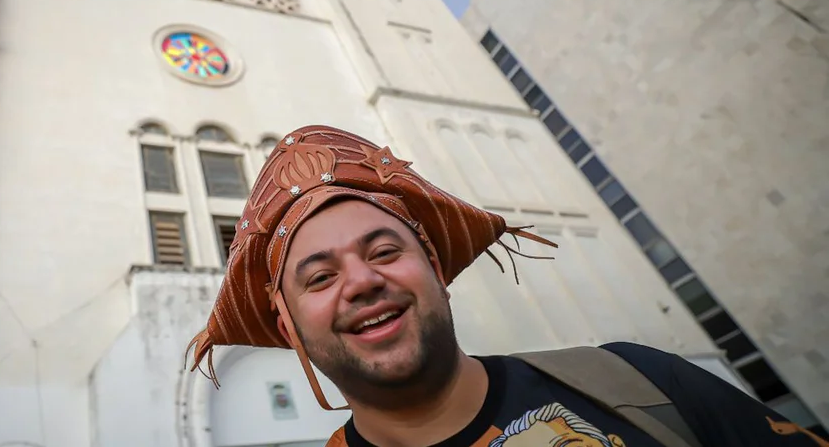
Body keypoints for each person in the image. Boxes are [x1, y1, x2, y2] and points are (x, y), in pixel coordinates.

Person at [186, 125, 826, 447]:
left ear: (435, 265)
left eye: (384, 251)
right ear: (286, 322)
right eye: (320, 277)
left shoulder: (642, 384)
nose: (362, 282)